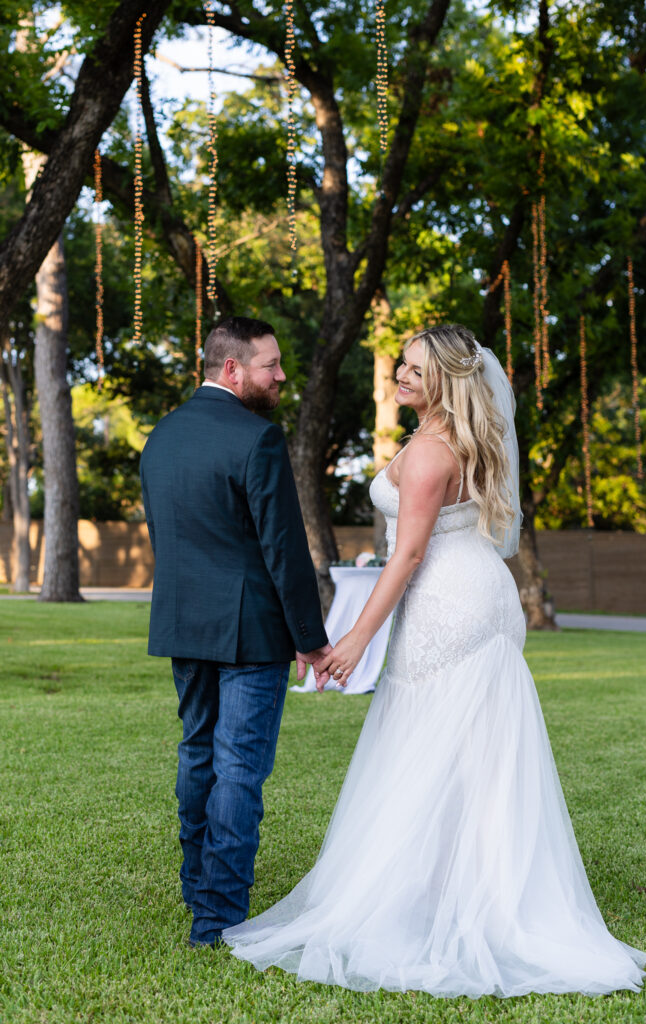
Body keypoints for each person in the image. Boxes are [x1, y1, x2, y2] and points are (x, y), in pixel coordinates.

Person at [221, 324, 646, 996]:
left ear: (446, 381)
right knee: (468, 752)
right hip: (478, 588)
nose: (400, 375)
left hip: (446, 602)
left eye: (415, 370)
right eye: (401, 364)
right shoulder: (464, 442)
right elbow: (421, 538)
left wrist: (358, 636)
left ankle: (438, 904)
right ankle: (462, 888)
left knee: (428, 740)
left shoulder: (428, 453)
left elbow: (411, 554)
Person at [140, 316, 330, 947]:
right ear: (232, 369)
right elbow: (285, 551)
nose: (281, 377)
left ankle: (200, 888)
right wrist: (310, 637)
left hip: (183, 623)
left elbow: (166, 539)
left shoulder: (160, 438)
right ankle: (218, 916)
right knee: (239, 769)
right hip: (251, 630)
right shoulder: (259, 439)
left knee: (198, 753)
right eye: (270, 366)